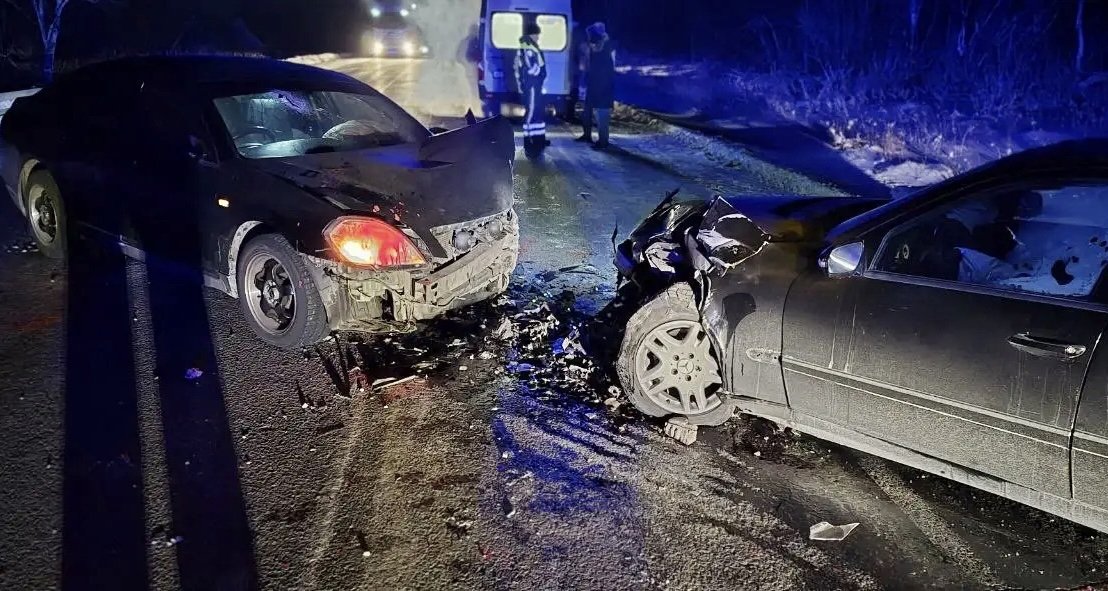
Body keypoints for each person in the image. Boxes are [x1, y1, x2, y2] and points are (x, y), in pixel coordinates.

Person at [577, 22, 616, 150]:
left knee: (602, 114)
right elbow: (587, 66)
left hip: (603, 87)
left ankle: (603, 142)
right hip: (594, 85)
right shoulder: (597, 48)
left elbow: (607, 68)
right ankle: (588, 135)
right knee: (588, 111)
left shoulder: (607, 48)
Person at [514, 22, 548, 157]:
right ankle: (529, 141)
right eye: (537, 35)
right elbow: (531, 68)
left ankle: (539, 139)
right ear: (532, 34)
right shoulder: (527, 48)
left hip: (535, 85)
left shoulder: (530, 46)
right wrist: (540, 73)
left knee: (537, 111)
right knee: (532, 111)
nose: (538, 37)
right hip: (532, 85)